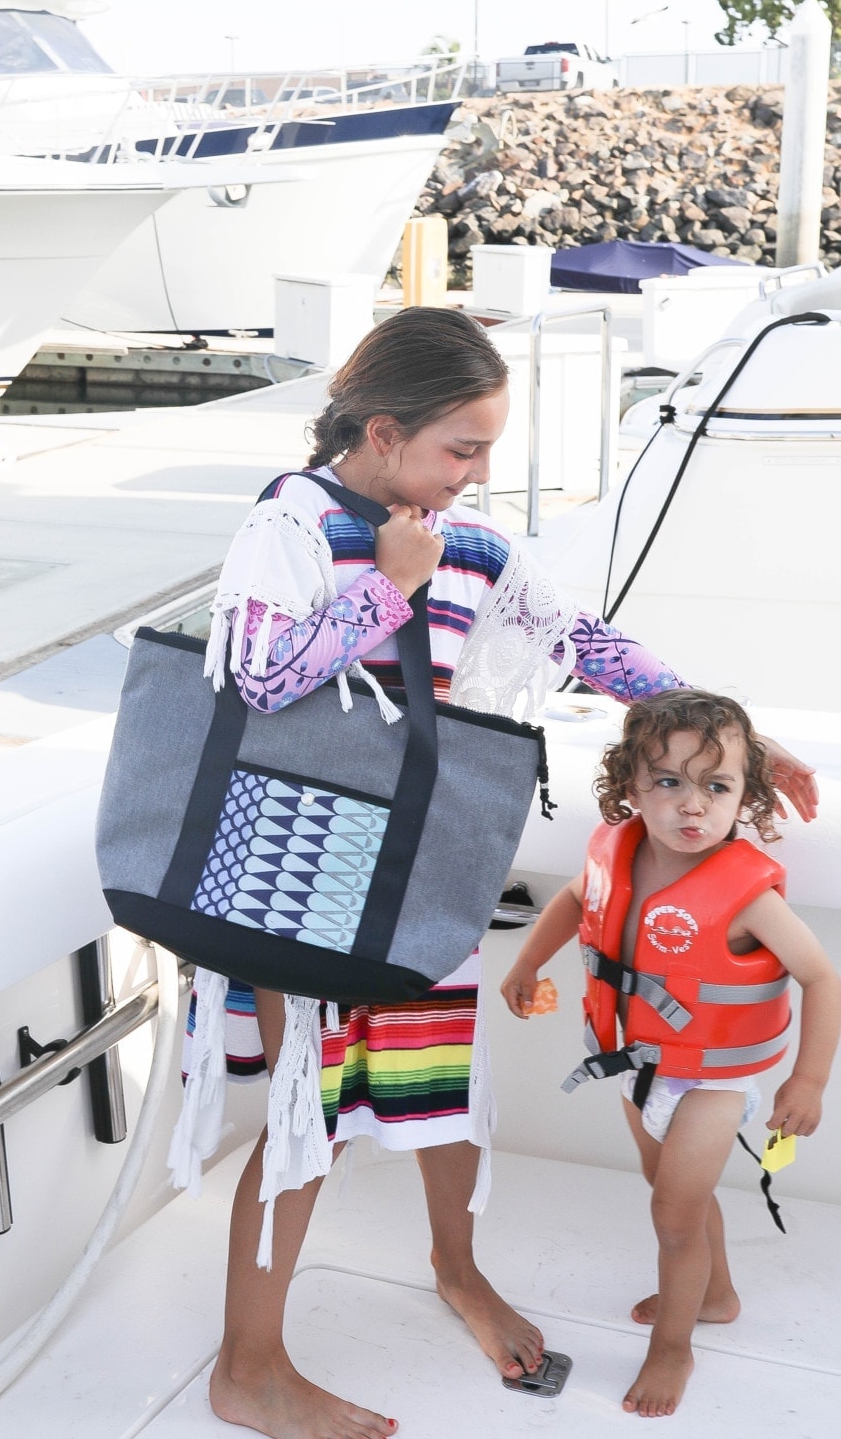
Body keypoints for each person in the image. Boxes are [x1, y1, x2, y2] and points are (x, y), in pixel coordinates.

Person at [178, 308, 818, 1439]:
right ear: (382, 431)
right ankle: (251, 1364)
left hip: (422, 861)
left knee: (438, 1074)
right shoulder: (290, 520)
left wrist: (739, 742)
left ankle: (455, 1267)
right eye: (461, 449)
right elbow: (260, 679)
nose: (475, 475)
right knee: (302, 1115)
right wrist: (384, 585)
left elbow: (581, 639)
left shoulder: (465, 540)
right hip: (306, 867)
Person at [502, 689, 840, 1419]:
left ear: (743, 795)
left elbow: (820, 975)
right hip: (636, 1066)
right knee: (676, 1198)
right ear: (630, 786)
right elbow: (570, 901)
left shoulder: (747, 895)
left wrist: (807, 1081)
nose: (693, 806)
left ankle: (673, 1349)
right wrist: (525, 965)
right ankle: (714, 1294)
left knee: (672, 1213)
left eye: (715, 787)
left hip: (711, 1083)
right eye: (669, 782)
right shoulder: (615, 854)